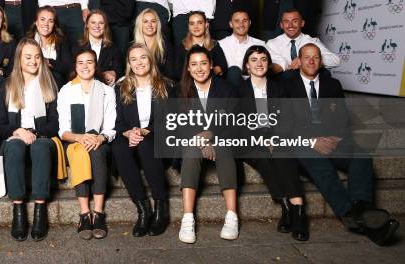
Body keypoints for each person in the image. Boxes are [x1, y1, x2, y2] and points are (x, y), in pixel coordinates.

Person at [283, 43, 400, 246]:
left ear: (321, 61)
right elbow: (285, 124)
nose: (311, 61)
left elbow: (343, 119)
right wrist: (312, 142)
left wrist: (335, 138)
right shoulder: (285, 86)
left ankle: (362, 210)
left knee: (362, 156)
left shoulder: (332, 85)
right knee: (321, 165)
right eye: (307, 57)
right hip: (302, 142)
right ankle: (350, 212)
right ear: (298, 61)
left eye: (316, 57)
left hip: (331, 139)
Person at [237, 45, 308, 241]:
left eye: (263, 59)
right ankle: (286, 205)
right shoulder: (239, 91)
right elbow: (239, 124)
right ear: (246, 66)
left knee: (281, 153)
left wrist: (274, 137)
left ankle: (298, 210)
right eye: (254, 60)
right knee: (263, 156)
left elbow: (288, 119)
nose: (259, 64)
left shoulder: (279, 88)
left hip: (278, 137)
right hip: (249, 142)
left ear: (268, 64)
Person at [0, 38, 59, 241]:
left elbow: (55, 124)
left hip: (43, 135)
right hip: (15, 135)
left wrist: (35, 133)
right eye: (28, 57)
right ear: (19, 59)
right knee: (14, 149)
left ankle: (40, 210)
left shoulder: (49, 84)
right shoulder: (6, 86)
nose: (33, 61)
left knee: (40, 148)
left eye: (37, 57)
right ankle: (19, 211)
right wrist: (17, 131)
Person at [177, 45, 239, 243]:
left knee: (225, 149)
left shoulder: (226, 89)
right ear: (188, 68)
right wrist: (201, 141)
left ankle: (232, 216)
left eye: (203, 63)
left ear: (211, 65)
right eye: (194, 64)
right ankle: (187, 219)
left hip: (221, 137)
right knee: (191, 152)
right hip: (192, 140)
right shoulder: (181, 90)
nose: (199, 68)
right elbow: (177, 124)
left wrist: (210, 134)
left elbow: (233, 121)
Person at [112, 43, 173, 237]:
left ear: (150, 60)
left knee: (147, 145)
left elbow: (170, 121)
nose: (139, 62)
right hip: (131, 135)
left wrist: (145, 131)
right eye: (134, 59)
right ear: (129, 64)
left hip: (157, 135)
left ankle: (161, 208)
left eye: (143, 57)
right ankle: (143, 208)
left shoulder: (167, 86)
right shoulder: (121, 87)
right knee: (119, 148)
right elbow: (117, 121)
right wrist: (128, 133)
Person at [57, 49, 117, 239]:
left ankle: (98, 213)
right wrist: (80, 138)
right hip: (74, 140)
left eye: (89, 62)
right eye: (80, 62)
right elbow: (63, 130)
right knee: (81, 152)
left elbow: (110, 126)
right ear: (75, 66)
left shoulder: (106, 91)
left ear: (95, 65)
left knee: (98, 152)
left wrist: (100, 138)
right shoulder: (66, 90)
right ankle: (84, 213)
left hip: (99, 139)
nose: (85, 66)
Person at [265, 9, 339, 76]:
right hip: (283, 84)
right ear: (281, 25)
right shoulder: (271, 44)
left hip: (308, 81)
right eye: (286, 22)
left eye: (295, 21)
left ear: (302, 23)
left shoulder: (312, 41)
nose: (290, 25)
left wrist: (308, 59)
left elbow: (335, 60)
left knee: (325, 73)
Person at [27, 6, 72, 88]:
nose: (46, 24)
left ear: (54, 24)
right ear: (36, 22)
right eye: (42, 19)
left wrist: (49, 62)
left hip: (55, 83)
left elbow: (68, 67)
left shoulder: (61, 41)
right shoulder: (27, 41)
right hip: (31, 80)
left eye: (50, 21)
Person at [174, 11, 227, 79]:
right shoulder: (182, 46)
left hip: (211, 84)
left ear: (206, 24)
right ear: (188, 26)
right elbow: (177, 73)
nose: (196, 26)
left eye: (200, 23)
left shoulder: (214, 45)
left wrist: (214, 70)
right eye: (192, 23)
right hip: (188, 84)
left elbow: (223, 67)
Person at [218, 10, 264, 88]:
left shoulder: (260, 44)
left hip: (253, 85)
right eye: (237, 21)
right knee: (233, 72)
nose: (241, 24)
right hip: (229, 86)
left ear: (249, 23)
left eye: (245, 21)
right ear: (231, 24)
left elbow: (270, 65)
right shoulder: (220, 44)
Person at [78, 9, 123, 86]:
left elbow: (119, 69)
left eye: (101, 23)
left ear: (105, 26)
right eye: (93, 22)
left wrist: (114, 73)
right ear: (87, 25)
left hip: (105, 87)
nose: (97, 26)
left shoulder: (113, 48)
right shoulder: (77, 47)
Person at [132, 8, 174, 79]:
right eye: (145, 21)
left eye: (153, 21)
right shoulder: (132, 47)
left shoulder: (166, 45)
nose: (150, 25)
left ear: (157, 24)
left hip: (161, 84)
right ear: (140, 24)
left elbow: (171, 74)